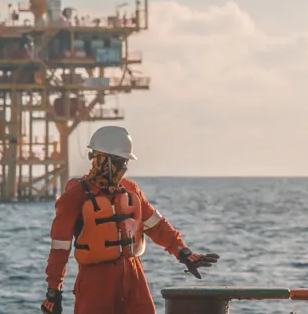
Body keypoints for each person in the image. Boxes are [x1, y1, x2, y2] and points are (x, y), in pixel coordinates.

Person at [40, 126, 219, 314]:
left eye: (125, 162)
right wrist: (54, 291)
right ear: (101, 160)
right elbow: (59, 249)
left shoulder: (131, 190)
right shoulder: (73, 198)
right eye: (119, 162)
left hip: (134, 278)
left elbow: (157, 226)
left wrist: (183, 253)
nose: (123, 168)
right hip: (95, 282)